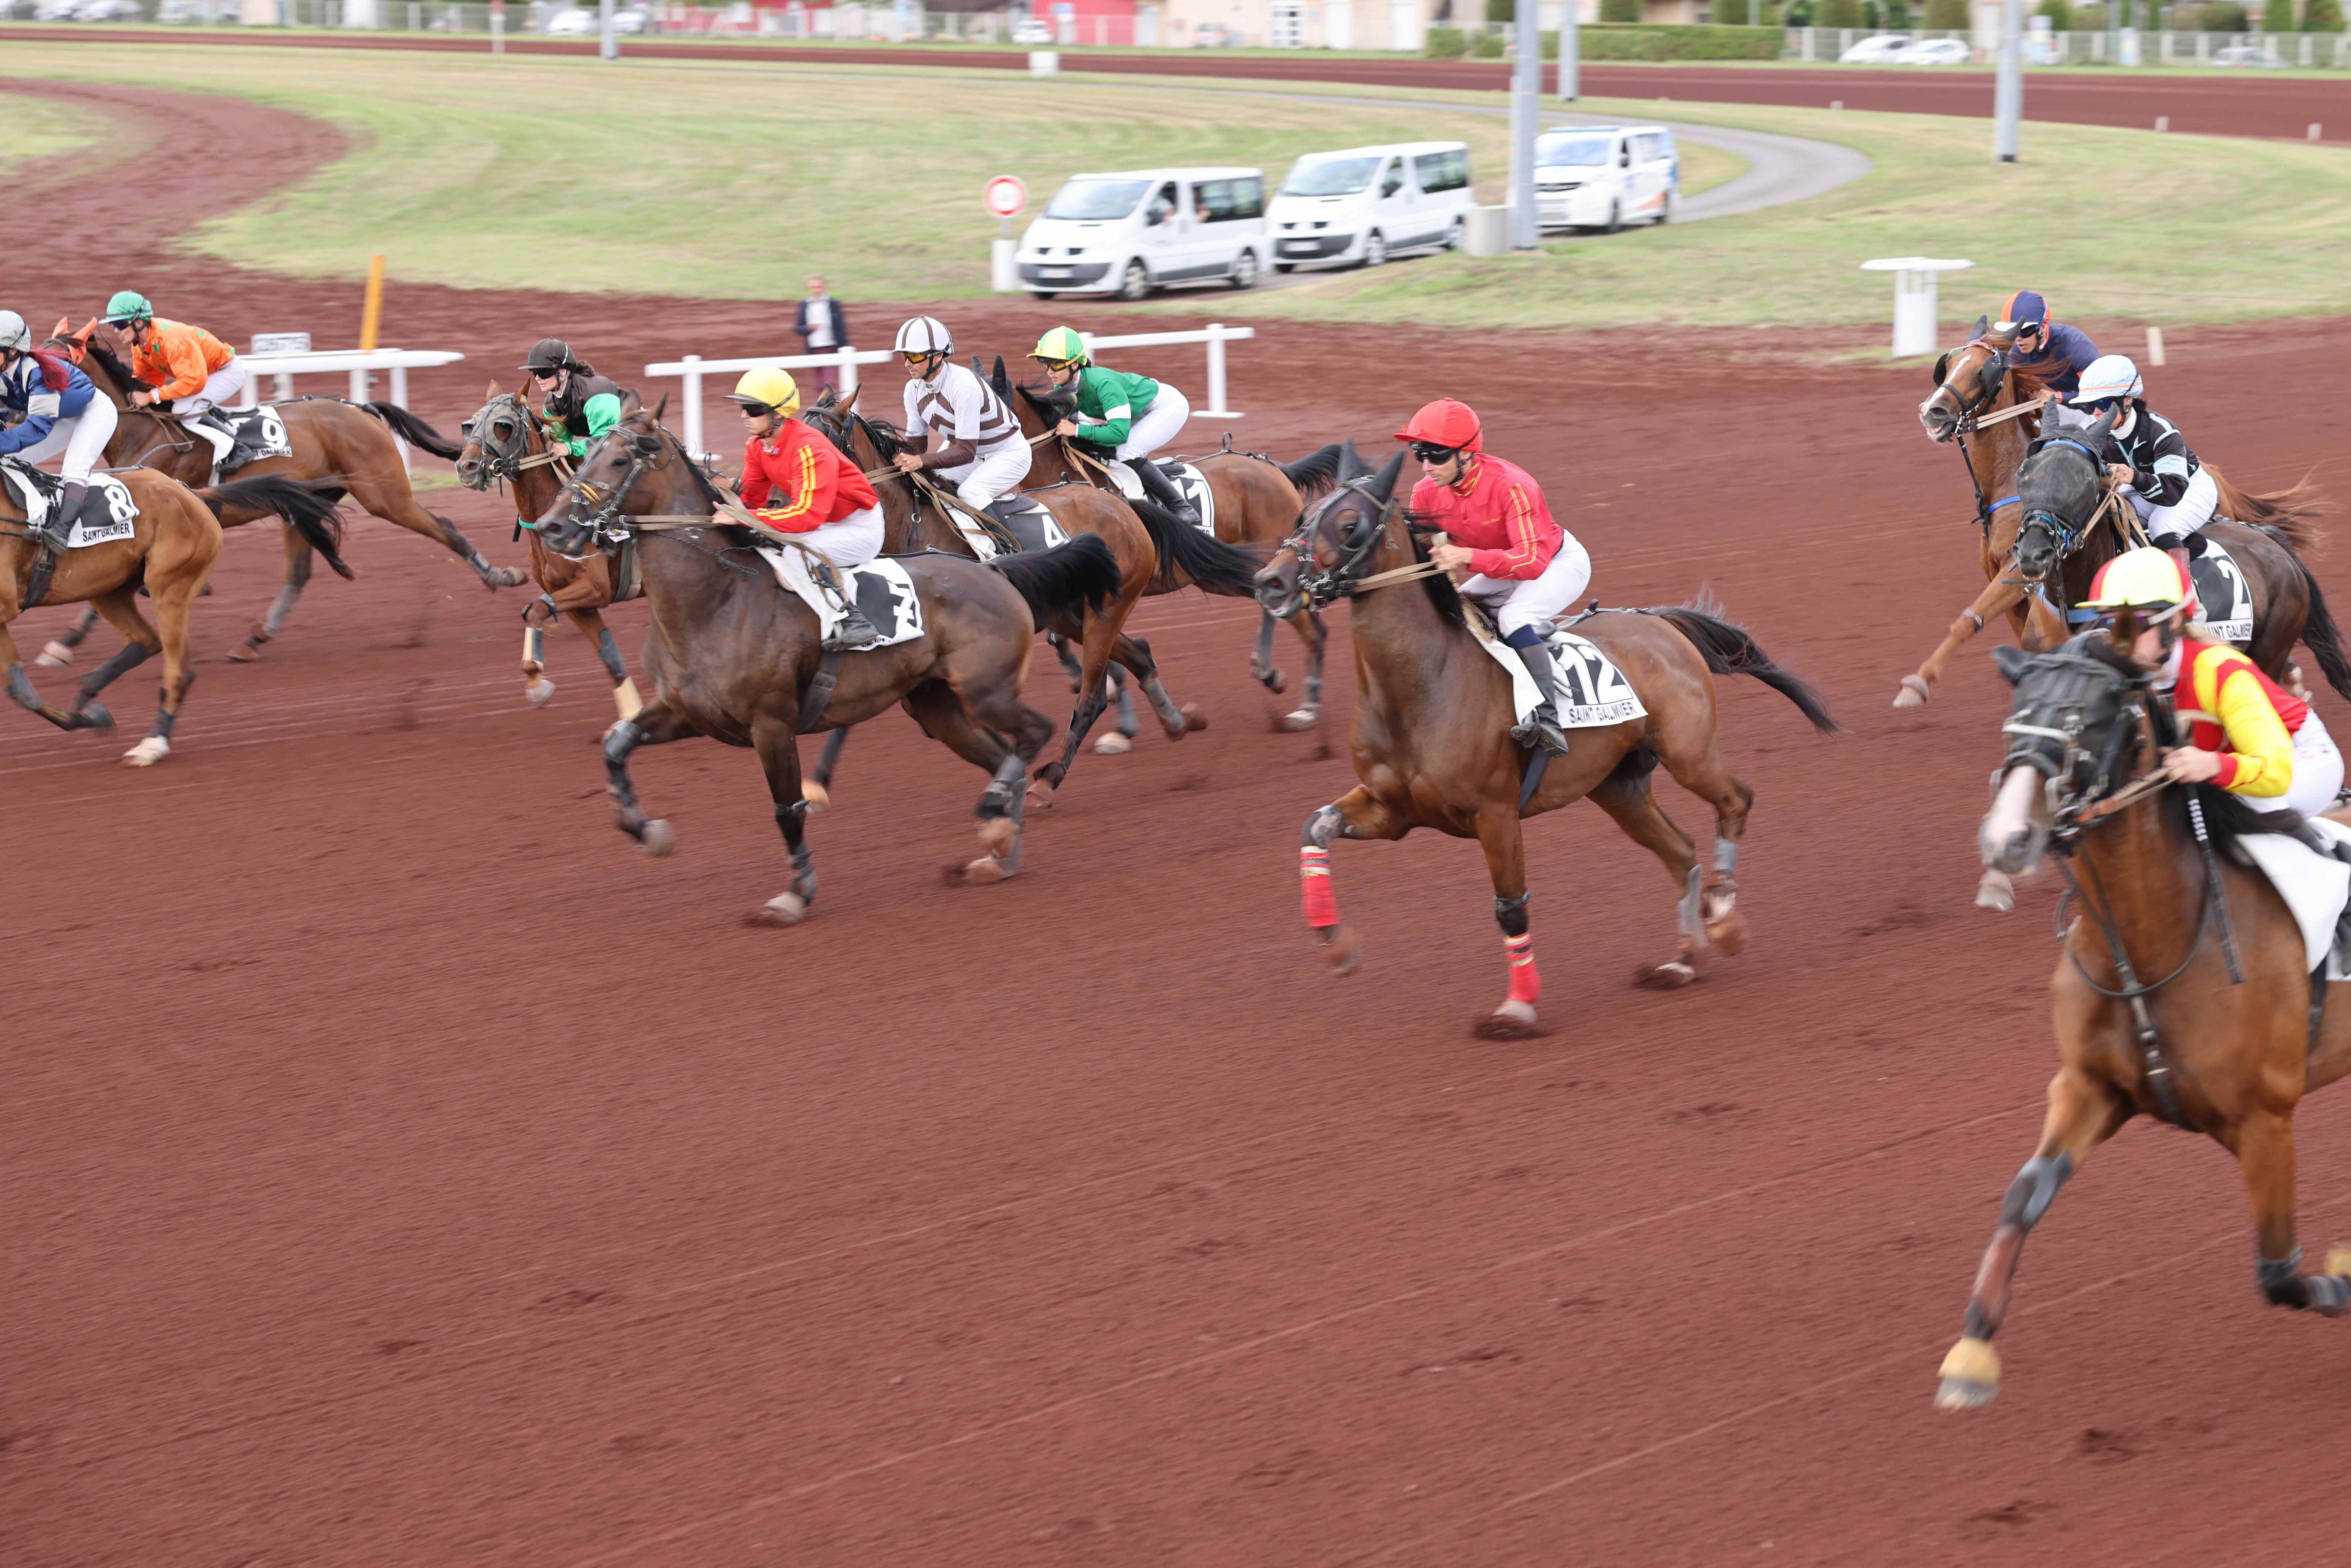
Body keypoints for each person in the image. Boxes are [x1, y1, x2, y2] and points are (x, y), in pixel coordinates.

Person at [2083, 546, 2342, 818]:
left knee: (2230, 813)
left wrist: (2215, 766)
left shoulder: (2220, 669)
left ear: (2171, 621)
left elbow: (2276, 772)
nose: (2120, 641)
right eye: (2110, 624)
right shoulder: (2117, 676)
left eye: (2134, 624)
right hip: (2225, 763)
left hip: (2299, 761)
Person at [1398, 397, 1590, 756]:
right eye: (1419, 453)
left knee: (1514, 616)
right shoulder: (1425, 493)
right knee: (1459, 610)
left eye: (1437, 455)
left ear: (1467, 454)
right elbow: (1425, 553)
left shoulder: (1512, 485)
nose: (1426, 466)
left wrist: (1467, 556)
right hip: (1503, 566)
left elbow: (1532, 562)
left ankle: (1548, 718)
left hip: (1558, 563)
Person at [723, 365, 881, 650]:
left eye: (752, 408)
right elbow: (751, 501)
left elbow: (808, 515)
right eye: (742, 407)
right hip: (824, 526)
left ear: (778, 413)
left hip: (858, 527)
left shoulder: (809, 448)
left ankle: (852, 620)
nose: (743, 415)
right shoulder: (756, 447)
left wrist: (745, 518)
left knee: (797, 555)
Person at [1027, 324, 1198, 526]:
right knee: (1108, 448)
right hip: (1136, 409)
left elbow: (1118, 433)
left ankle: (1182, 508)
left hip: (1166, 407)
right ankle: (1157, 471)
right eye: (1045, 365)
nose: (1049, 372)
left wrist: (1078, 430)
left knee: (1125, 451)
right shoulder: (1064, 386)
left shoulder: (1103, 384)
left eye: (1056, 365)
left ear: (1074, 365)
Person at [2068, 353, 2217, 578]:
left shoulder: (2161, 430)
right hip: (2144, 491)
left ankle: (2186, 602)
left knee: (2162, 526)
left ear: (2127, 401)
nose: (2097, 412)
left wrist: (2134, 477)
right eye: (2090, 406)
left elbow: (2173, 492)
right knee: (2107, 522)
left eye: (2102, 404)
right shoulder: (2093, 433)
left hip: (2188, 490)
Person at [891, 315, 1030, 555]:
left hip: (1009, 454)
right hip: (976, 456)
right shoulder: (912, 389)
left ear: (938, 356)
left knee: (970, 492)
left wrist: (920, 461)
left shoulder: (963, 386)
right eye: (905, 356)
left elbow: (966, 452)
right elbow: (917, 444)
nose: (907, 364)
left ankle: (1009, 552)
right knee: (931, 485)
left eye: (914, 356)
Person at [0, 308, 118, 551]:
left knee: (74, 468)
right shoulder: (5, 373)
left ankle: (62, 531)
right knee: (10, 458)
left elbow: (37, 430)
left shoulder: (36, 373)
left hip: (93, 412)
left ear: (12, 351)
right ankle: (34, 513)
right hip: (61, 416)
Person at [101, 290, 244, 468]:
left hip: (226, 372)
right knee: (167, 404)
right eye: (113, 325)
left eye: (120, 324)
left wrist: (152, 396)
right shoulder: (140, 346)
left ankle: (237, 448)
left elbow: (193, 382)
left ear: (138, 322)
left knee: (183, 410)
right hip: (205, 375)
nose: (116, 331)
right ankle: (213, 415)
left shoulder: (171, 339)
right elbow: (149, 381)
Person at [1995, 289, 2101, 430]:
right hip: (2067, 409)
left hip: (2098, 410)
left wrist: (2059, 397)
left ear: (2043, 328)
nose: (2018, 339)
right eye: (2013, 332)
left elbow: (2099, 395)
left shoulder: (2076, 346)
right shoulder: (2019, 353)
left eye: (2024, 331)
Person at [521, 338, 628, 459]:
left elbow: (608, 440)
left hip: (635, 443)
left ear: (562, 372)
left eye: (544, 372)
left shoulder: (595, 395)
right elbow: (559, 441)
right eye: (535, 372)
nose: (538, 378)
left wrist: (570, 448)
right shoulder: (552, 405)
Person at [793, 276, 850, 393]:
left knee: (828, 383)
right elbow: (798, 328)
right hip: (814, 349)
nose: (816, 290)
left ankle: (829, 408)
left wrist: (844, 347)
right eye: (814, 287)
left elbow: (842, 327)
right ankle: (825, 409)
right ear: (810, 289)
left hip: (832, 348)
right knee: (819, 384)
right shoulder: (804, 305)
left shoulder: (834, 304)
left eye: (819, 287)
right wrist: (808, 328)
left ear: (824, 288)